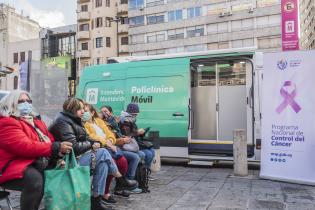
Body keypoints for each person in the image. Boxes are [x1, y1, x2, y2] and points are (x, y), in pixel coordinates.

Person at [0, 90, 72, 210]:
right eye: (21, 101)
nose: (26, 103)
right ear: (12, 103)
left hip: (33, 160)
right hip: (11, 164)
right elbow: (24, 146)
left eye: (28, 101)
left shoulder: (36, 121)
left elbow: (49, 139)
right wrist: (55, 148)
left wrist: (57, 155)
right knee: (35, 180)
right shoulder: (7, 122)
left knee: (62, 172)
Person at [49, 98, 123, 210]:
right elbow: (72, 146)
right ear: (72, 109)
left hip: (77, 157)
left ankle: (96, 201)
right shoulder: (63, 121)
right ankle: (118, 176)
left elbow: (84, 137)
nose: (83, 111)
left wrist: (94, 142)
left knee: (102, 164)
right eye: (80, 109)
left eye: (83, 108)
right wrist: (90, 144)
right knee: (103, 152)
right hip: (66, 161)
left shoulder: (74, 119)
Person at [83, 103, 137, 203]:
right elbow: (92, 137)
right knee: (110, 163)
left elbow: (110, 134)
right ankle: (107, 191)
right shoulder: (84, 124)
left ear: (92, 112)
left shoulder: (98, 121)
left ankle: (120, 186)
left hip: (110, 147)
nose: (83, 113)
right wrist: (107, 143)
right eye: (82, 110)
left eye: (86, 111)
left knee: (123, 161)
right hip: (101, 148)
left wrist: (111, 142)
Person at [101, 105, 143, 194]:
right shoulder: (103, 123)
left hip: (117, 146)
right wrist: (121, 139)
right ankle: (127, 182)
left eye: (106, 111)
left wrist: (121, 138)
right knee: (135, 157)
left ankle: (126, 183)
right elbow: (108, 138)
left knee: (141, 154)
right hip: (114, 147)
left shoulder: (113, 121)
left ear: (111, 112)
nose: (104, 114)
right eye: (102, 112)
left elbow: (116, 135)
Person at [119, 103, 155, 179]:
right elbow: (127, 135)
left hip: (134, 142)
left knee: (151, 151)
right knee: (147, 153)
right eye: (135, 114)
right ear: (131, 113)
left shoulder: (130, 119)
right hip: (129, 145)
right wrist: (138, 132)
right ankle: (140, 175)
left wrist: (142, 133)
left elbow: (133, 133)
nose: (136, 115)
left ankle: (145, 173)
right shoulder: (125, 120)